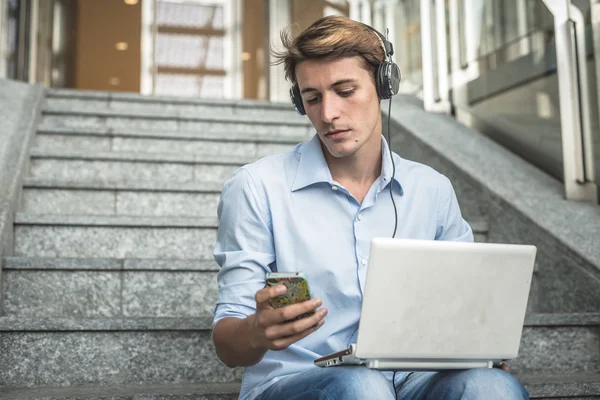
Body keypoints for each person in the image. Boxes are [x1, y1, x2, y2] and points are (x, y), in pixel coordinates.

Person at [211, 15, 529, 400]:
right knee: (361, 386)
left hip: (415, 381)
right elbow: (228, 345)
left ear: (384, 85)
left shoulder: (432, 190)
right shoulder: (257, 187)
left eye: (345, 91)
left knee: (492, 387)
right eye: (312, 98)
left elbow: (467, 310)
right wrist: (256, 331)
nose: (327, 114)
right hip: (296, 382)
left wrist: (480, 347)